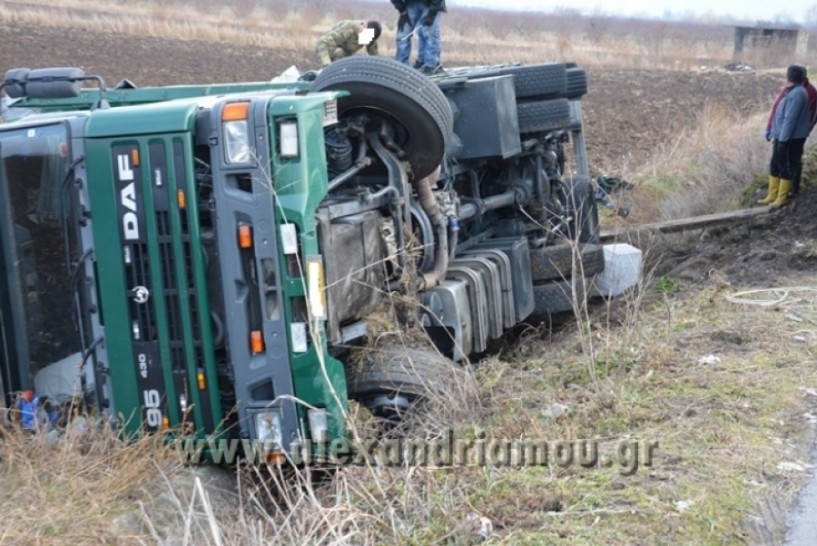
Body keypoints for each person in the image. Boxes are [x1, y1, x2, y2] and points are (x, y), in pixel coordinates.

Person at [759, 65, 812, 208]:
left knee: (785, 166)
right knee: (775, 164)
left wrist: (783, 140)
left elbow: (790, 119)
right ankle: (772, 194)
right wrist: (774, 132)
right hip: (781, 135)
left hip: (791, 138)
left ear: (790, 78)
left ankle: (781, 198)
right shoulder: (792, 91)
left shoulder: (798, 94)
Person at [392, 0, 446, 75]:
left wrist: (432, 14)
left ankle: (432, 65)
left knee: (429, 33)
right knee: (403, 33)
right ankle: (401, 65)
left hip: (431, 4)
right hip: (411, 3)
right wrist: (401, 9)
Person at [315, 20, 382, 67]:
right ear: (364, 26)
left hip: (344, 56)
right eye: (366, 37)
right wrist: (327, 65)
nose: (366, 41)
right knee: (339, 52)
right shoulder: (347, 30)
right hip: (326, 52)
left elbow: (374, 54)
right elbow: (322, 42)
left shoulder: (369, 35)